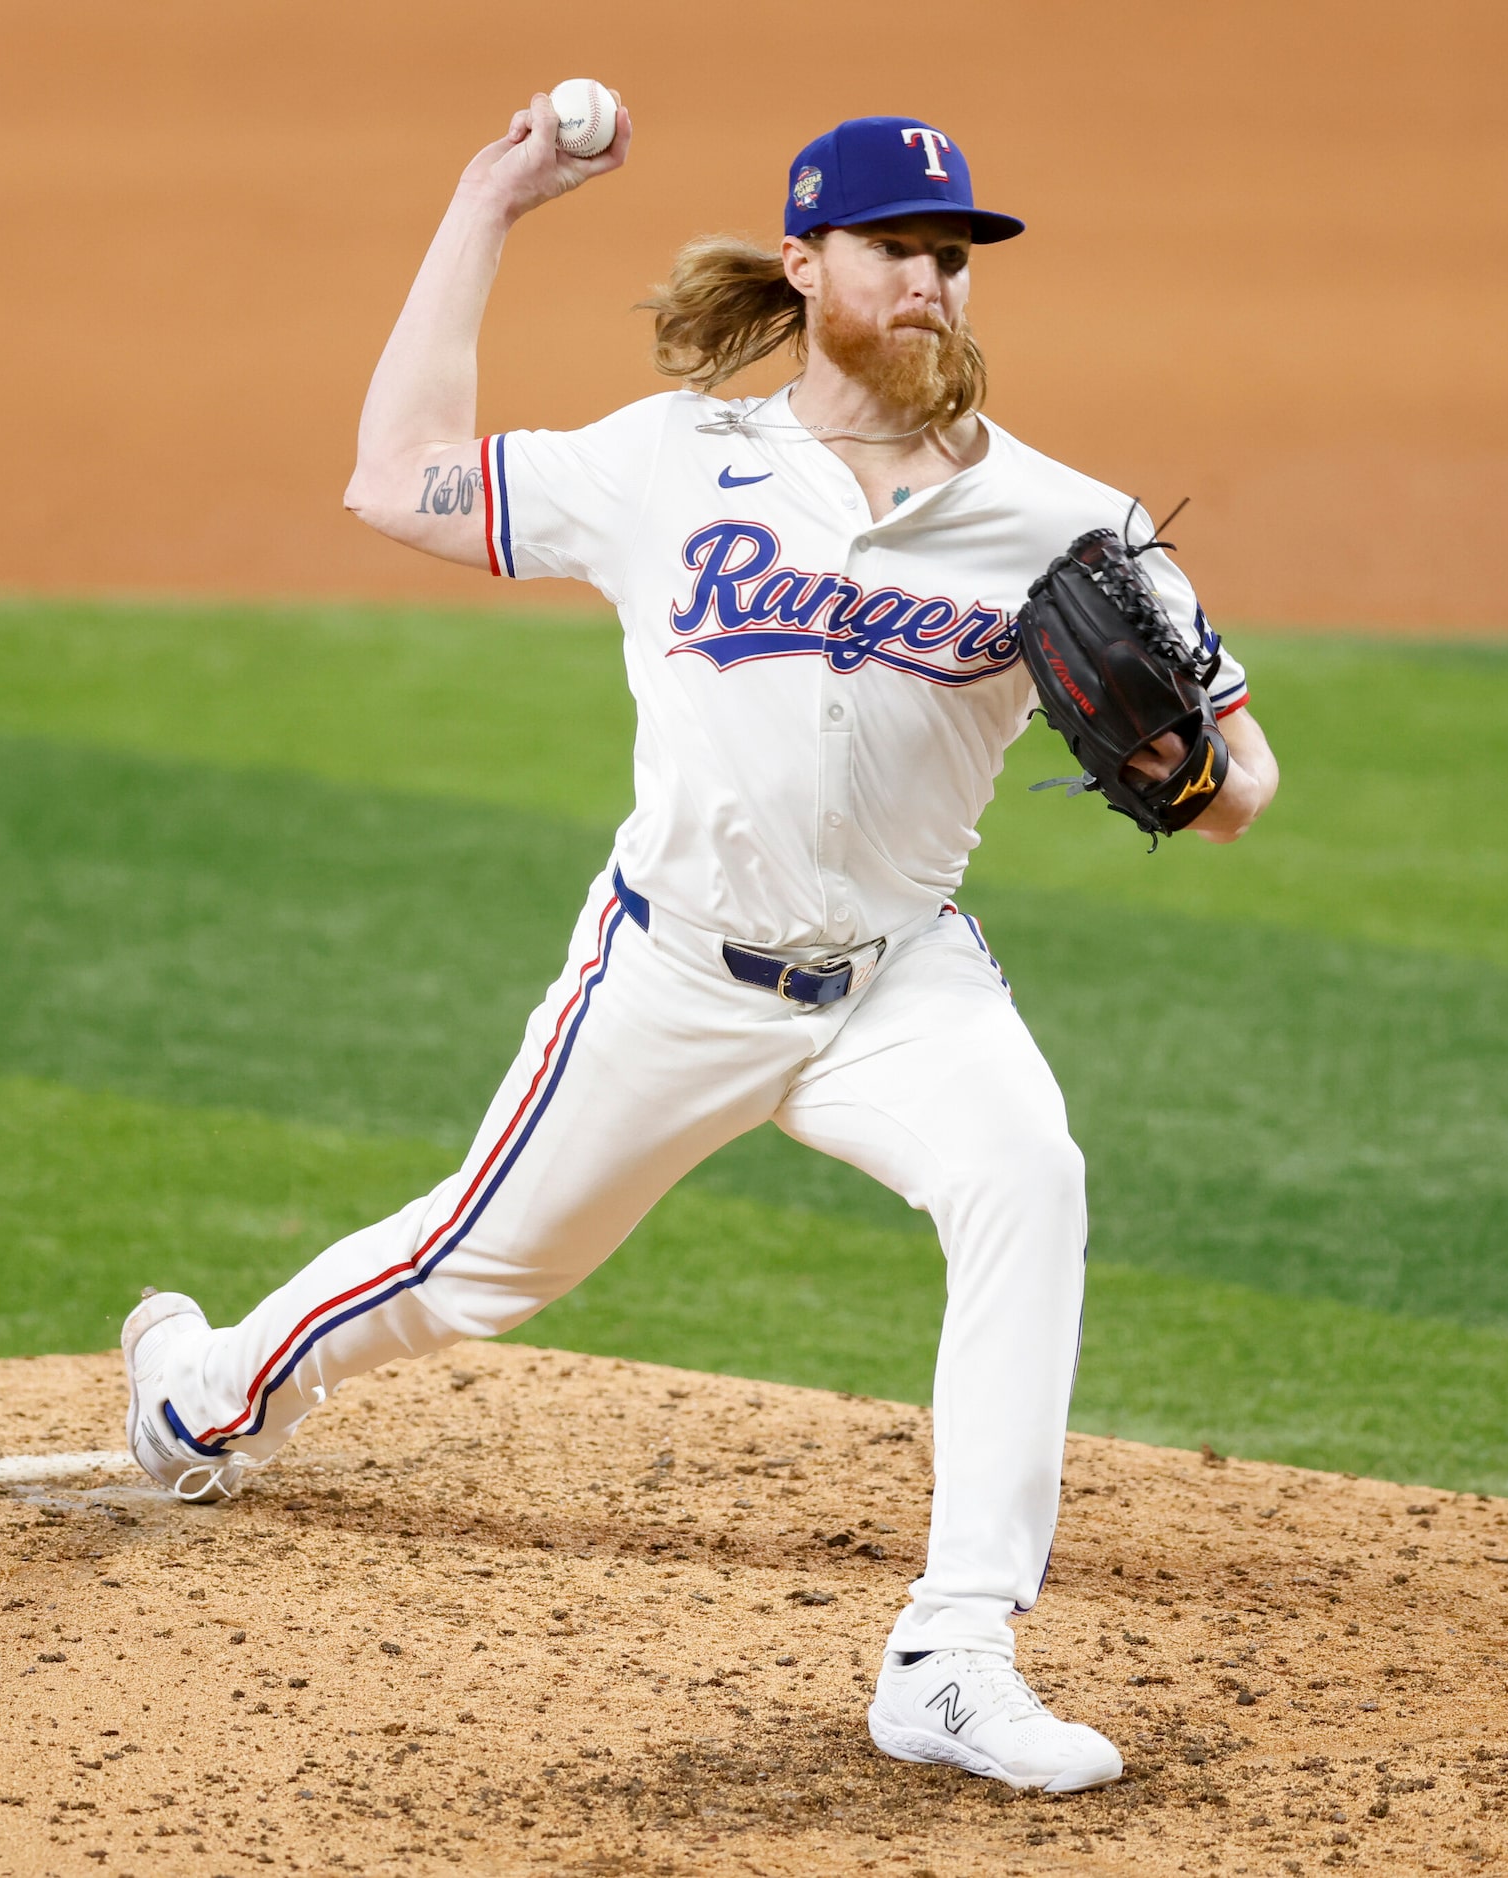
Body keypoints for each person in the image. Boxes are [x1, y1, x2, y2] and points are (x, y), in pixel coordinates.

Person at [120, 93, 1280, 1795]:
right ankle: (205, 1395)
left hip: (900, 977)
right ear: (808, 264)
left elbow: (1245, 775)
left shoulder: (1066, 519)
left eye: (953, 257)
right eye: (897, 249)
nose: (933, 282)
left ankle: (955, 1654)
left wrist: (1193, 779)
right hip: (670, 976)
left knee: (1029, 1174)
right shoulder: (673, 461)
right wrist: (485, 203)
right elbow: (392, 478)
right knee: (472, 1270)